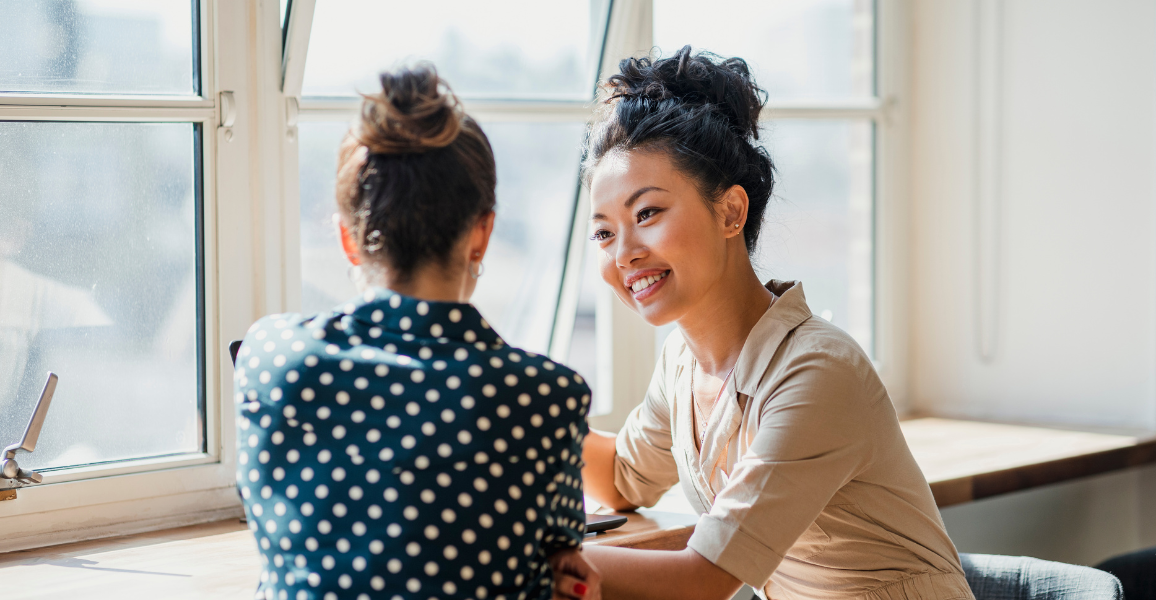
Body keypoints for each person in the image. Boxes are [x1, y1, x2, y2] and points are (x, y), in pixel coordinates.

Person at [577, 47, 975, 600]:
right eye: (603, 232)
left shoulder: (816, 372)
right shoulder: (682, 365)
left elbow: (703, 578)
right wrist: (505, 396)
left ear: (730, 212)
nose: (624, 253)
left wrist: (532, 560)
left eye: (647, 214)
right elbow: (623, 477)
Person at [233, 64, 600, 600]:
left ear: (348, 239)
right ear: (481, 234)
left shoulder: (269, 356)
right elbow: (563, 559)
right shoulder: (546, 397)